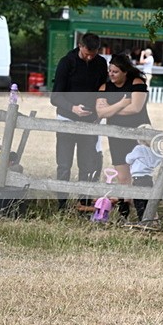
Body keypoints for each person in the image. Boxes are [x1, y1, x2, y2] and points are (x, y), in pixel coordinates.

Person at [50, 33, 108, 210]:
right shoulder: (66, 62)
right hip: (67, 119)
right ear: (80, 46)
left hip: (90, 122)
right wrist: (73, 108)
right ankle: (62, 204)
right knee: (64, 165)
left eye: (93, 54)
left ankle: (84, 203)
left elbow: (102, 90)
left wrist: (100, 110)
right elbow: (55, 97)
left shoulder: (101, 63)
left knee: (87, 165)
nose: (90, 57)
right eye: (87, 53)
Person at [96, 54, 151, 218]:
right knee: (122, 175)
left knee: (140, 173)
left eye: (115, 72)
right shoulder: (104, 87)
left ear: (125, 72)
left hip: (138, 133)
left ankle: (144, 211)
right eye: (110, 71)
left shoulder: (137, 83)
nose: (111, 74)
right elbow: (100, 112)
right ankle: (124, 208)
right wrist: (121, 104)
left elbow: (136, 108)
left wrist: (111, 109)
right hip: (116, 134)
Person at [125, 124, 161, 223]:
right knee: (147, 201)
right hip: (149, 179)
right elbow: (158, 161)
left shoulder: (139, 149)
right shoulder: (154, 151)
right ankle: (151, 219)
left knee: (139, 201)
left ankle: (143, 220)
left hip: (138, 179)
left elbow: (128, 159)